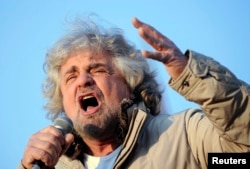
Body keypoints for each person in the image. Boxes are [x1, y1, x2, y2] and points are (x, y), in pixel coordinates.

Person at [18, 16, 250, 169]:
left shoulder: (184, 136)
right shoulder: (52, 165)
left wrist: (191, 72)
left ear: (130, 84)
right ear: (63, 102)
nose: (83, 81)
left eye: (97, 69)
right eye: (71, 76)